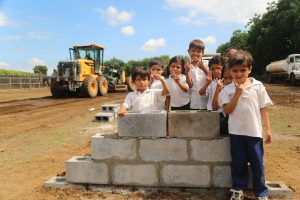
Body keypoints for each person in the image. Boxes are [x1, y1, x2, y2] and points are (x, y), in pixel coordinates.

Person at [220, 50, 273, 200]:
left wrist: (268, 129)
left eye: (243, 70)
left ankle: (261, 193)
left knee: (257, 164)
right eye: (235, 70)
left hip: (254, 133)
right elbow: (227, 111)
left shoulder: (258, 86)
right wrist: (237, 93)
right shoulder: (227, 90)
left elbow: (264, 108)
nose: (239, 74)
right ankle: (238, 189)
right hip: (236, 133)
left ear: (250, 69)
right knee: (238, 163)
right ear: (230, 71)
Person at [185, 39, 209, 110]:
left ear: (203, 53)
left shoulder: (207, 64)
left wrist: (203, 68)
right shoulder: (187, 66)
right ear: (188, 52)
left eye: (199, 52)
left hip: (207, 100)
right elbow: (190, 85)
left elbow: (212, 77)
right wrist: (186, 72)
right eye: (193, 51)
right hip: (194, 101)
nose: (195, 53)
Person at [211, 66, 233, 135]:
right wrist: (217, 91)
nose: (228, 81)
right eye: (226, 78)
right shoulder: (222, 90)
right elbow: (214, 107)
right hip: (226, 121)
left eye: (231, 78)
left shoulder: (240, 90)